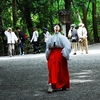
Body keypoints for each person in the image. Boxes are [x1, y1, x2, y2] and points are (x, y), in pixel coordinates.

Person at [45, 24, 71, 93]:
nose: (56, 29)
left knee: (60, 70)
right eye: (55, 27)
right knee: (53, 70)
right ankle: (52, 84)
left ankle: (61, 84)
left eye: (57, 27)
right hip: (55, 54)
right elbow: (48, 48)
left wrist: (64, 53)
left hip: (58, 54)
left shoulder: (61, 38)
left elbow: (67, 46)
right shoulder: (53, 38)